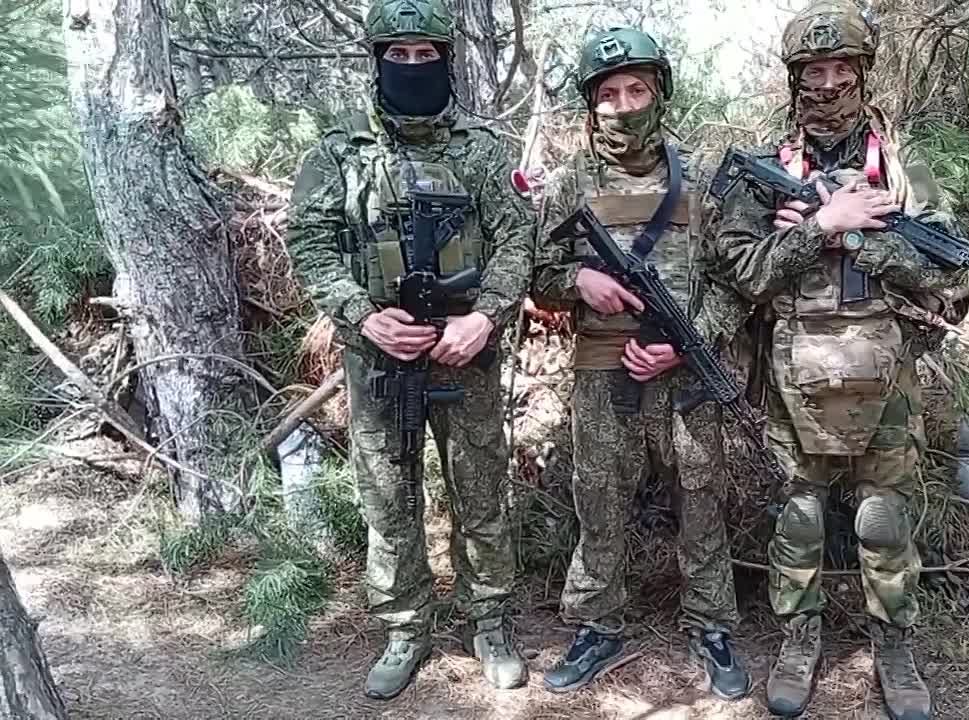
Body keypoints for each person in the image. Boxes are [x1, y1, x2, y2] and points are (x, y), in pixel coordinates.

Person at [707, 2, 969, 718]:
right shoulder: (764, 172)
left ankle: (895, 648)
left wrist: (866, 237)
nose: (827, 85)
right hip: (792, 369)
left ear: (862, 73)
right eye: (813, 72)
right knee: (798, 518)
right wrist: (820, 226)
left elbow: (954, 273)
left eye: (841, 70)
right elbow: (740, 271)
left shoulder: (903, 168)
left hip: (885, 372)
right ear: (794, 79)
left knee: (883, 521)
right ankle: (800, 642)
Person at [284, 0, 532, 700]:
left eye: (427, 54)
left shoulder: (482, 150)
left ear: (446, 60)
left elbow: (518, 238)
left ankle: (489, 622)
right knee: (387, 495)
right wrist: (363, 317)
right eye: (400, 54)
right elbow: (310, 243)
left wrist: (484, 317)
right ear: (378, 60)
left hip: (466, 352)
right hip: (377, 358)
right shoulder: (340, 152)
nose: (414, 65)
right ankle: (404, 628)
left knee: (481, 489)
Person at [529, 26, 751, 700]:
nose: (624, 105)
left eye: (637, 90)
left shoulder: (701, 178)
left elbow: (734, 282)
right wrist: (579, 282)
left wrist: (689, 341)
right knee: (599, 498)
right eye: (609, 94)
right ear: (591, 104)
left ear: (659, 93)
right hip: (602, 371)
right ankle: (597, 625)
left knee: (702, 498)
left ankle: (711, 625)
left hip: (685, 371)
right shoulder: (569, 182)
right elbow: (537, 273)